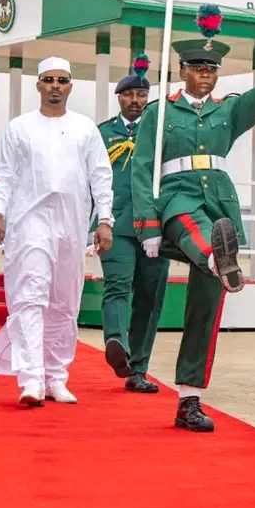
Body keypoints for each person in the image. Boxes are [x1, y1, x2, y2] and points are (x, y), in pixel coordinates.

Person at [130, 4, 255, 433]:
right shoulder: (160, 111)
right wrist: (147, 224)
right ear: (182, 69)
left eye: (212, 68)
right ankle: (216, 256)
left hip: (219, 205)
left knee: (205, 311)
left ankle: (189, 400)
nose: (205, 73)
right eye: (197, 67)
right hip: (177, 200)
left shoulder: (227, 110)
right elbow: (141, 167)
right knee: (198, 235)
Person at [0, 56, 115, 406]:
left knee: (65, 302)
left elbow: (101, 175)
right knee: (30, 295)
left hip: (72, 223)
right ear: (38, 84)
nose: (55, 85)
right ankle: (31, 379)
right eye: (48, 79)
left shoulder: (86, 128)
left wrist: (104, 219)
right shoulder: (20, 127)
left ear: (70, 85)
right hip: (29, 222)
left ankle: (56, 376)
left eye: (62, 80)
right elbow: (5, 176)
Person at [95, 53, 170, 393]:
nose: (136, 101)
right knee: (117, 286)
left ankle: (138, 368)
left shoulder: (162, 133)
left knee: (149, 297)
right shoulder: (101, 134)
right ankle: (116, 343)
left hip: (156, 226)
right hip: (117, 224)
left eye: (142, 95)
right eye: (129, 95)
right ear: (119, 97)